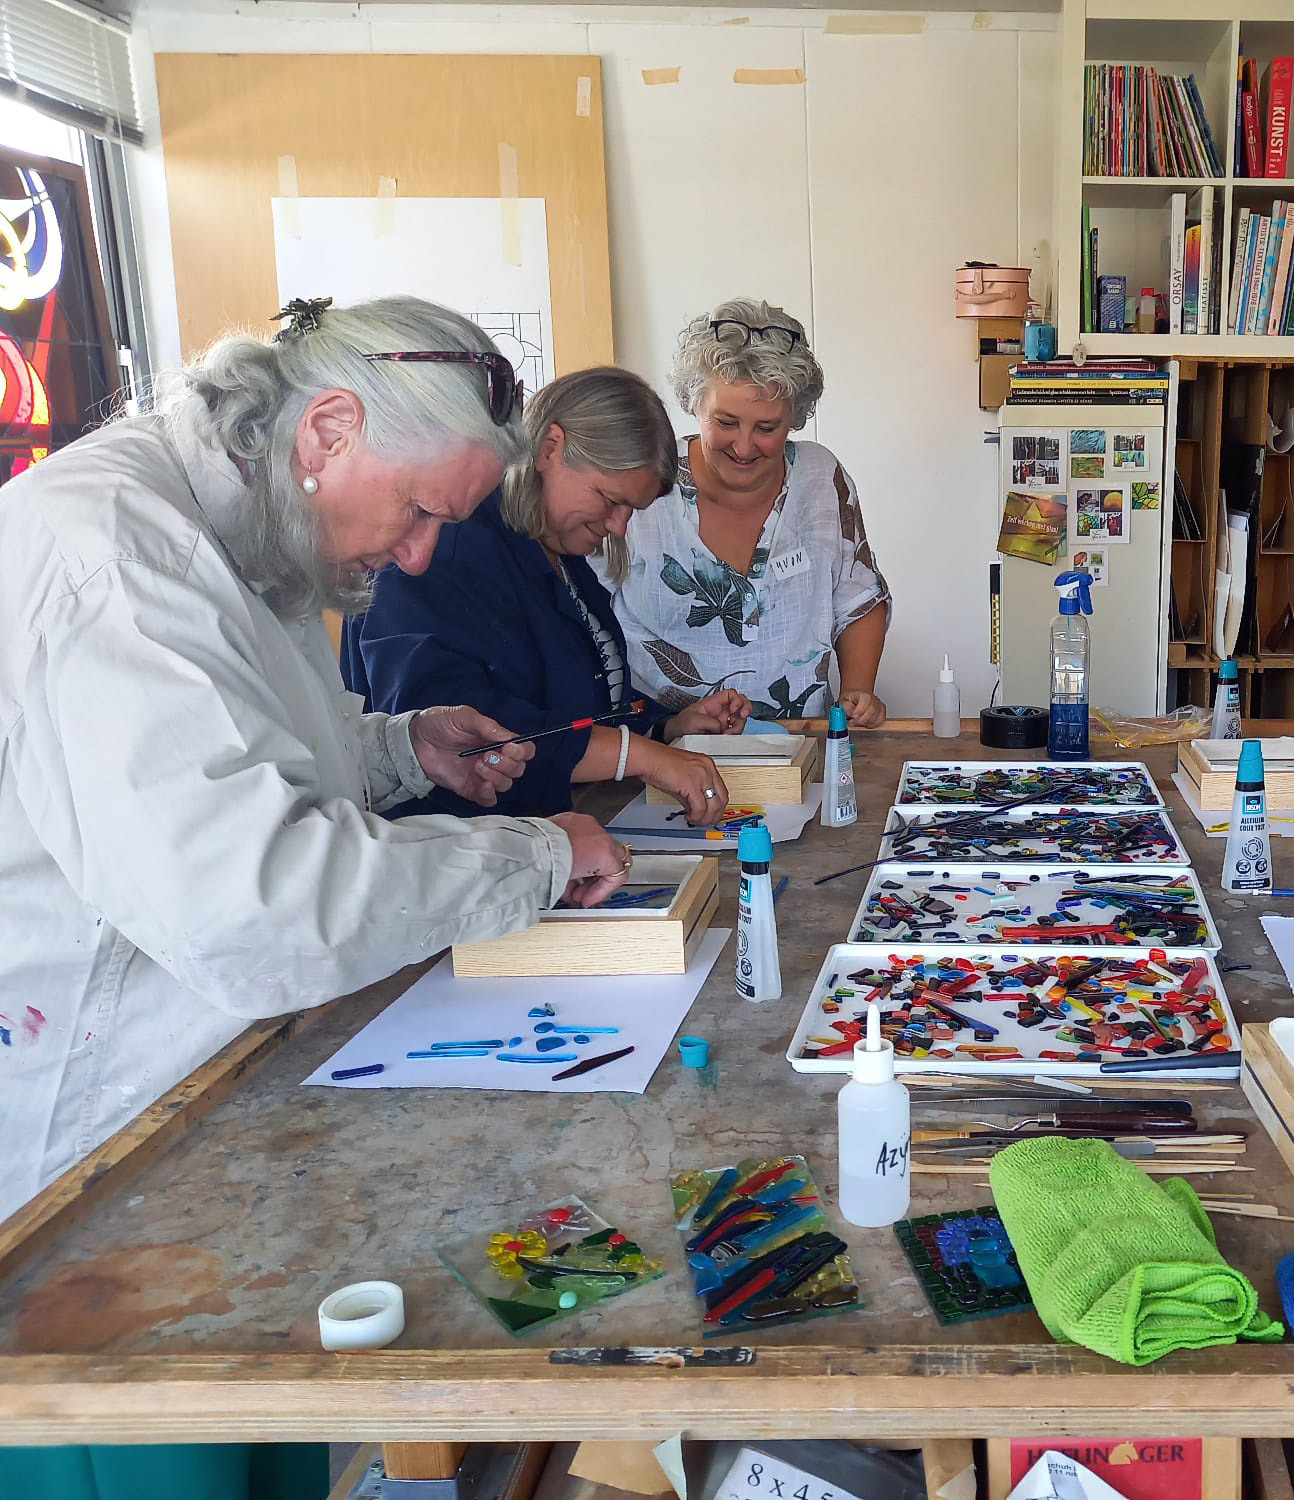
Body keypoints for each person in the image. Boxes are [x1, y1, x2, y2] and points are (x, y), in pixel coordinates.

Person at [0, 296, 635, 1225]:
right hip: (88, 1110)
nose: (419, 557)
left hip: (193, 1070)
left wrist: (400, 747)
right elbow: (254, 906)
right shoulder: (125, 567)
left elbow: (252, 740)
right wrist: (536, 853)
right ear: (329, 431)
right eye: (417, 510)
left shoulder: (256, 509)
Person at [342, 366, 745, 824]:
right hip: (450, 847)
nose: (618, 526)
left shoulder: (557, 550)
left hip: (546, 839)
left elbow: (573, 705)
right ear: (551, 448)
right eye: (610, 499)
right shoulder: (445, 548)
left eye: (631, 510)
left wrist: (664, 728)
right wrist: (644, 757)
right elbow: (454, 719)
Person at [605, 299, 892, 725]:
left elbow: (858, 598)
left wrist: (857, 690)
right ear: (694, 404)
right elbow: (585, 616)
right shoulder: (642, 486)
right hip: (659, 746)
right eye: (725, 422)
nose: (743, 447)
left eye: (766, 428)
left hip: (798, 747)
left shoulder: (819, 477)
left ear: (795, 417)